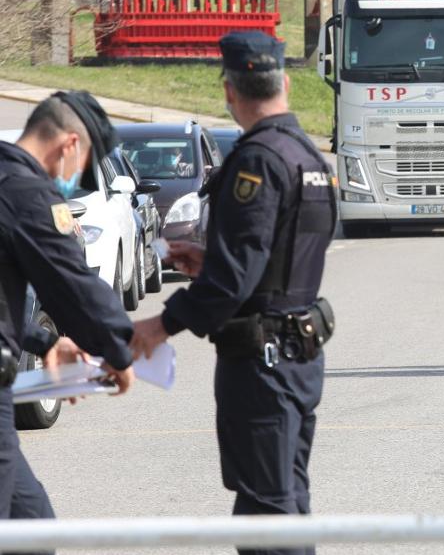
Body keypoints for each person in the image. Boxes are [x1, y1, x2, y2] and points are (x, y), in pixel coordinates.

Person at [131, 31, 337, 555]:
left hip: (262, 364)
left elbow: (235, 278)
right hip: (297, 354)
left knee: (266, 515)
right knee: (284, 505)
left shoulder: (257, 161)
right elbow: (280, 261)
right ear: (285, 83)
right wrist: (212, 262)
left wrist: (159, 326)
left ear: (229, 90)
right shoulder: (308, 156)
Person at [0, 91, 135, 525]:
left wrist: (44, 341)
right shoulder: (26, 193)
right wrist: (120, 346)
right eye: (84, 163)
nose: (76, 176)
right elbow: (72, 284)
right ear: (70, 145)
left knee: (32, 524)